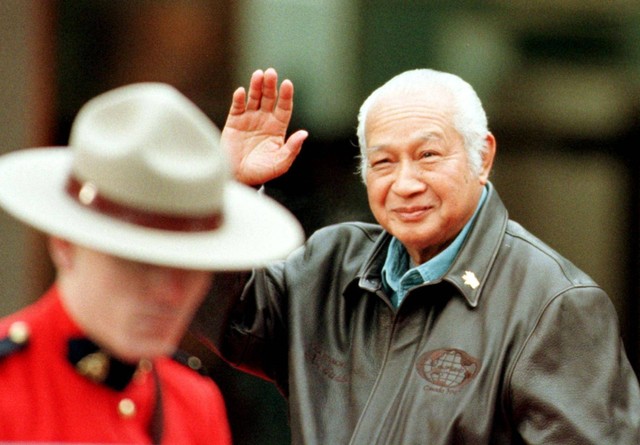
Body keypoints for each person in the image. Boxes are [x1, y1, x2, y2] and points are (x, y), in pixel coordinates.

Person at [192, 67, 640, 444]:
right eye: (383, 162)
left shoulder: (555, 303)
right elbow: (213, 310)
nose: (405, 184)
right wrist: (228, 192)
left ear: (482, 157)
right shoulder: (328, 265)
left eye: (427, 155)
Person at [0, 82, 303, 443]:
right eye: (137, 262)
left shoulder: (193, 401)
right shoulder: (9, 386)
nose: (169, 293)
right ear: (65, 244)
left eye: (190, 266)